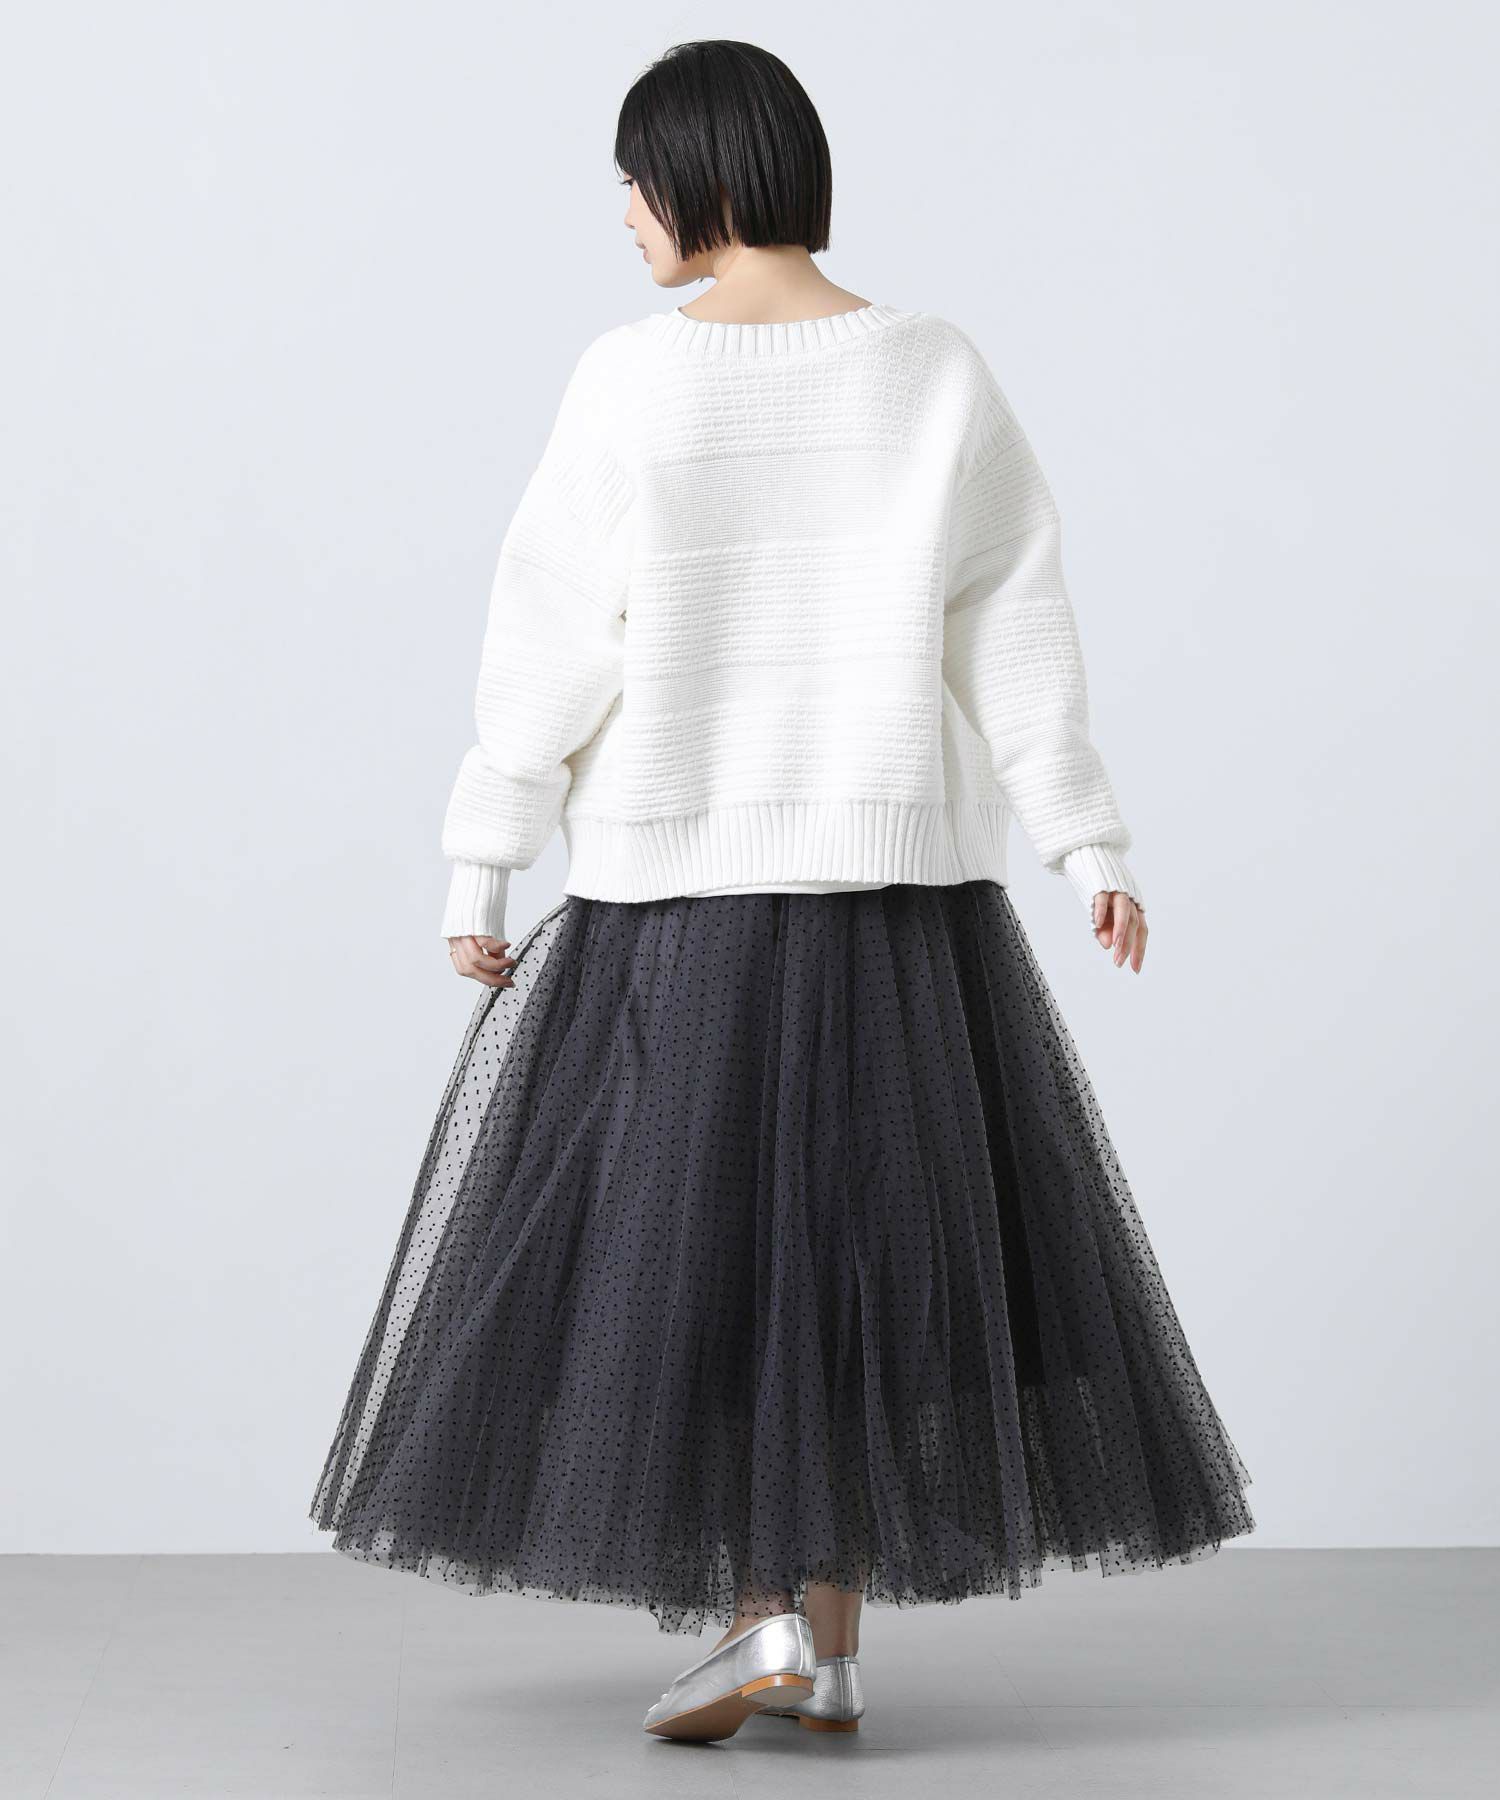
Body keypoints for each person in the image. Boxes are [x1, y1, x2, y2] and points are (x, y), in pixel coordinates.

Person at [309, 37, 1254, 1746]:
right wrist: (1085, 841)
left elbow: (550, 633)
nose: (623, 215)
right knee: (863, 1256)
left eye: (633, 182)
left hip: (682, 897)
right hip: (901, 907)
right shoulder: (932, 369)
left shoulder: (634, 380)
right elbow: (1013, 622)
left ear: (700, 178)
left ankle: (758, 1626)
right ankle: (824, 1645)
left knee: (707, 1263)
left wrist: (486, 851)